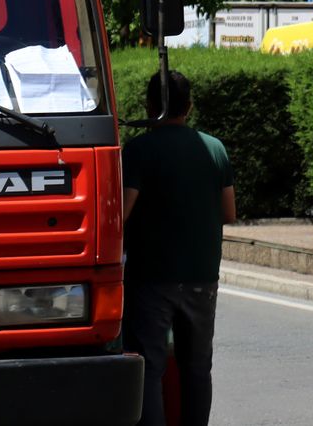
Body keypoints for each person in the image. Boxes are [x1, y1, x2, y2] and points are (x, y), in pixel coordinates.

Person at [122, 70, 237, 426]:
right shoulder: (215, 148)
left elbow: (123, 211)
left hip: (152, 277)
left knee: (152, 367)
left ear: (149, 105)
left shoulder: (139, 150)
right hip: (203, 275)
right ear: (189, 106)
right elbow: (229, 212)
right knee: (197, 367)